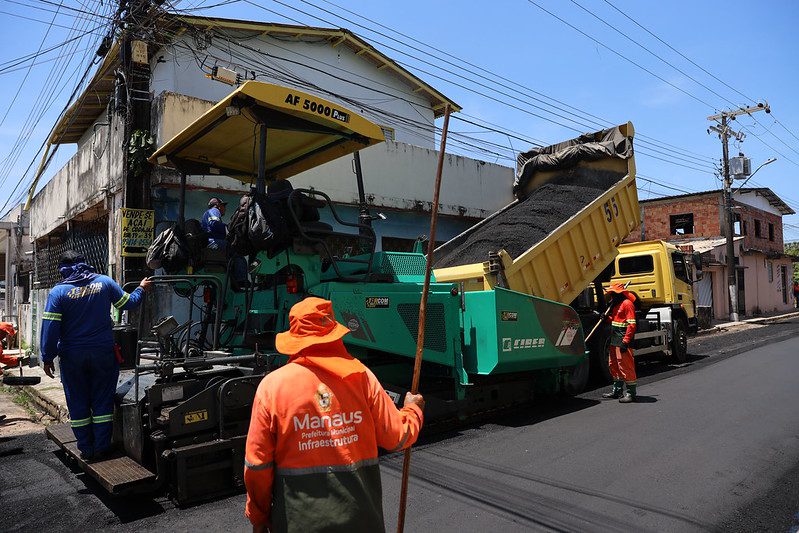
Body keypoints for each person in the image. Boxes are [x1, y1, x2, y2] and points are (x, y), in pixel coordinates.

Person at [244, 297, 425, 533]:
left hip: (297, 523)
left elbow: (257, 466)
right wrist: (412, 409)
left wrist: (259, 517)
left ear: (295, 338)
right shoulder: (361, 376)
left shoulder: (272, 387)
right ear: (333, 332)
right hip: (362, 521)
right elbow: (397, 437)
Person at [40, 251, 152, 460]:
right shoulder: (105, 282)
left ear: (63, 268)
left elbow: (50, 327)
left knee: (78, 400)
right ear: (85, 263)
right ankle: (101, 446)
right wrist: (141, 288)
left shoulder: (58, 292)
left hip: (73, 357)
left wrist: (47, 357)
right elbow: (128, 303)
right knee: (102, 400)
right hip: (103, 353)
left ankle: (86, 448)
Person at [602, 283, 638, 403]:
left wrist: (625, 342)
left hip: (622, 341)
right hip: (614, 340)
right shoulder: (616, 305)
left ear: (619, 293)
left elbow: (631, 325)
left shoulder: (627, 304)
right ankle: (617, 391)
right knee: (613, 365)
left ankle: (631, 393)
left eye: (612, 293)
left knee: (626, 366)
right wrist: (607, 318)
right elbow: (617, 321)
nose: (611, 296)